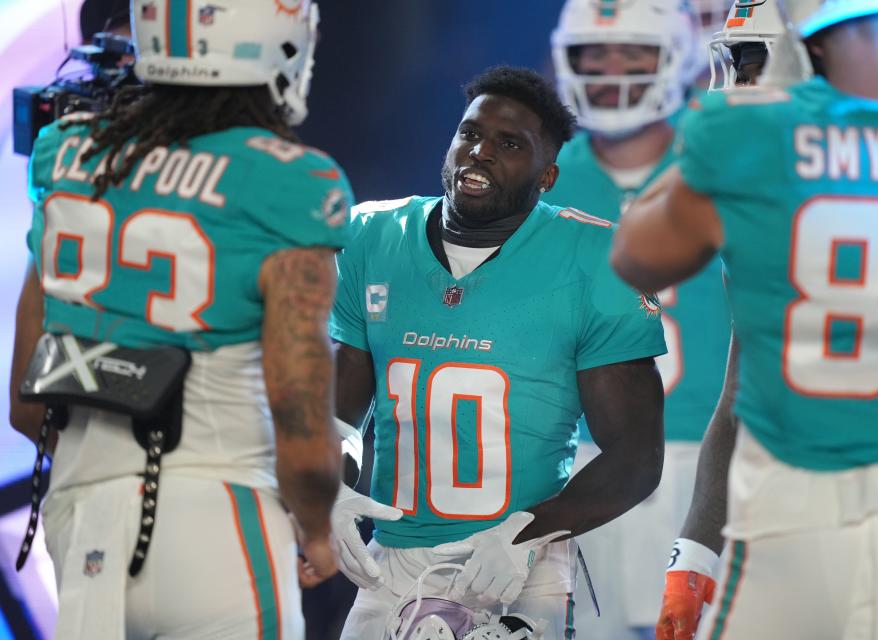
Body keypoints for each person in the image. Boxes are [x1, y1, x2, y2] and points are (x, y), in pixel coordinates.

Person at [612, 0, 878, 638]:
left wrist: (713, 150)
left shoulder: (765, 169)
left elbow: (635, 257)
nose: (737, 83)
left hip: (796, 506)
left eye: (751, 64)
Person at [8, 1, 351, 637]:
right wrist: (318, 532)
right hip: (220, 519)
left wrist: (106, 471)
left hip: (78, 525)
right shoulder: (291, 179)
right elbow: (301, 427)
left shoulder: (65, 152)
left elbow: (25, 406)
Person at [326, 66, 668, 639]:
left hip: (514, 564)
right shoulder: (371, 235)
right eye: (469, 133)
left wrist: (525, 534)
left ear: (547, 176)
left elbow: (636, 458)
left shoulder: (597, 260)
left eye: (509, 144)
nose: (479, 152)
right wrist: (328, 483)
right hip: (390, 558)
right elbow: (341, 410)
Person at [547, 1, 729, 637]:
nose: (612, 71)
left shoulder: (722, 151)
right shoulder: (542, 174)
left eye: (633, 54)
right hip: (587, 458)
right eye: (595, 55)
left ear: (676, 55)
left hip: (711, 457)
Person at [650, 3, 785, 639]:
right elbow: (741, 396)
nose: (735, 88)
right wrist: (693, 555)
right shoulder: (758, 205)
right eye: (733, 66)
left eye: (753, 66)